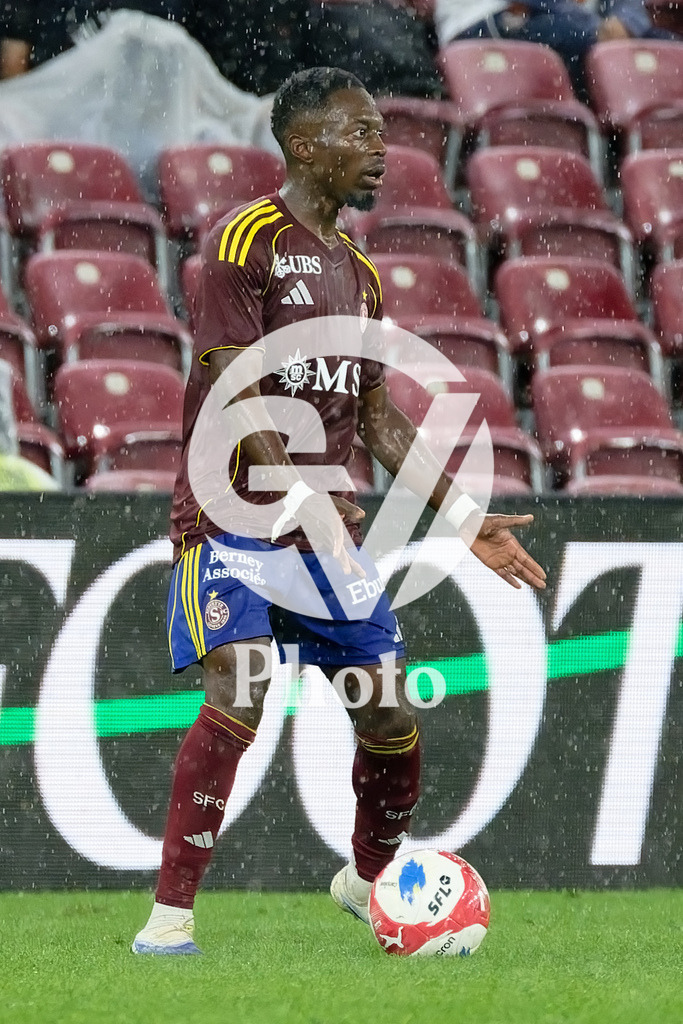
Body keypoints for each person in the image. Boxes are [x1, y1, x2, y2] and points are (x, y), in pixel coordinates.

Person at [131, 66, 547, 956]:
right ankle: (169, 919)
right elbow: (237, 391)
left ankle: (365, 880)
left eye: (378, 134)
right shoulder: (243, 242)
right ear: (302, 143)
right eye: (357, 134)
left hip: (322, 539)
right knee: (240, 685)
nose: (378, 150)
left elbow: (377, 416)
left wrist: (466, 517)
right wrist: (305, 496)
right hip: (235, 519)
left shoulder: (357, 275)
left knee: (390, 717)